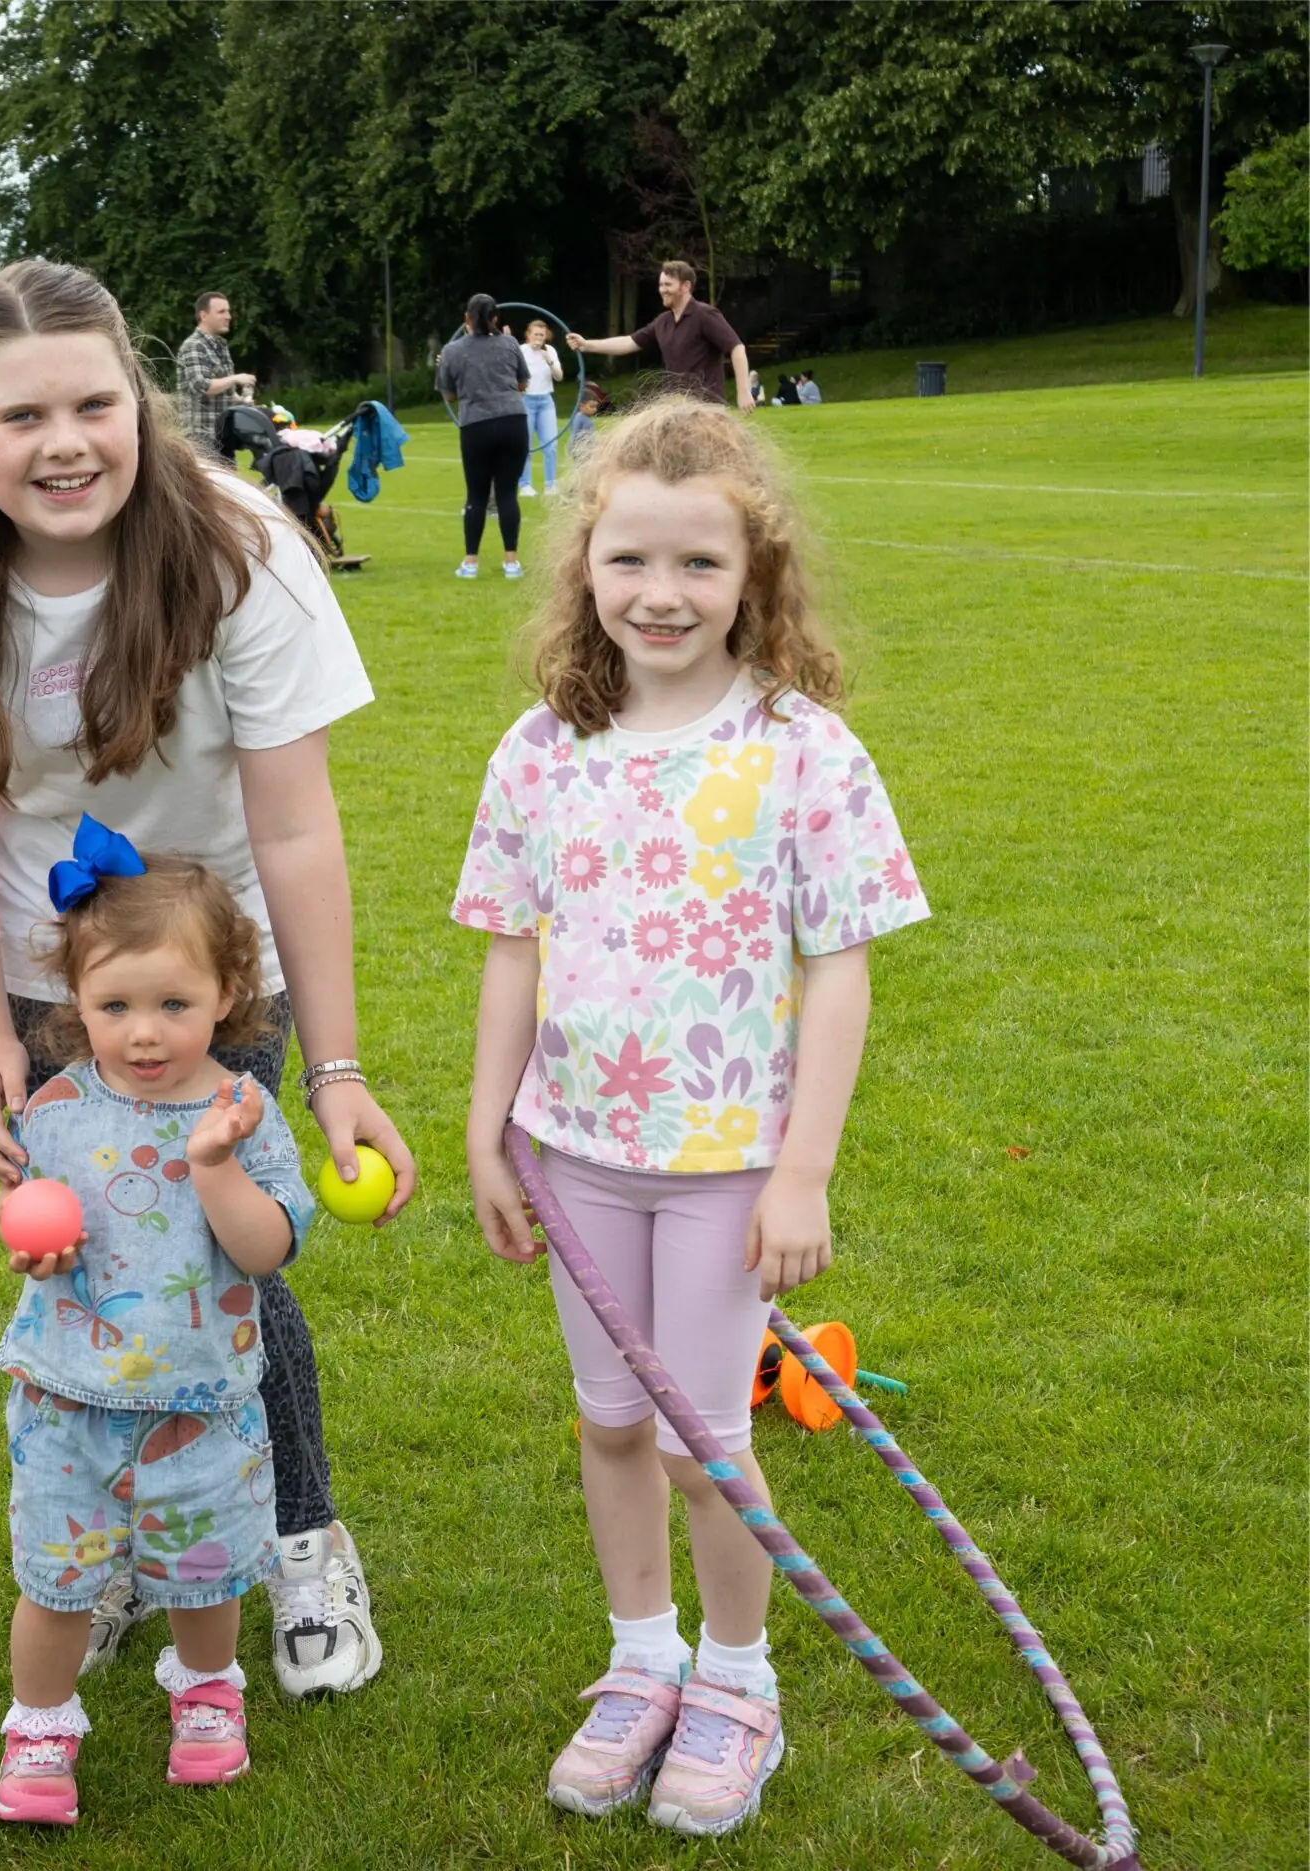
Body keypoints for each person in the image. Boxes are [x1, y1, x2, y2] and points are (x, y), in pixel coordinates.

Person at [0, 257, 410, 1705]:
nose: (67, 441)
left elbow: (294, 823)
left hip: (218, 987)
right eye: (23, 412)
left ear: (140, 403)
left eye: (97, 401)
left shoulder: (240, 547)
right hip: (56, 991)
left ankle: (295, 1538)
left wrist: (335, 1066)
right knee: (87, 1264)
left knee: (225, 1256)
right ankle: (100, 1554)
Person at [453, 397, 929, 1836]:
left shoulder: (803, 749)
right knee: (610, 1422)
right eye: (631, 561)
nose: (661, 594)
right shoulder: (543, 745)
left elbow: (837, 968)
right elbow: (512, 947)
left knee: (704, 1438)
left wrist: (804, 1171)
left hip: (727, 1163)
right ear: (587, 566)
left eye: (700, 566)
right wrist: (490, 1127)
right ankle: (641, 1653)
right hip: (579, 1149)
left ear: (755, 579)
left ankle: (737, 1680)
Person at [0, 833, 317, 1825]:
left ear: (227, 992)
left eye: (172, 1003)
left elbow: (264, 1252)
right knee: (54, 1578)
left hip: (201, 1396)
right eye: (112, 1005)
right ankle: (39, 1722)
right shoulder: (52, 1108)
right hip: (64, 1398)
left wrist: (214, 1165)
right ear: (74, 1001)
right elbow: (36, 1225)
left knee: (202, 1564)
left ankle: (207, 1692)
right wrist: (34, 1252)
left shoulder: (242, 1109)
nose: (140, 1032)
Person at [435, 292, 532, 579]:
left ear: (466, 319)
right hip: (513, 421)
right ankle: (512, 562)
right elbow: (523, 383)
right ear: (495, 319)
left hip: (476, 424)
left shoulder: (452, 351)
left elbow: (449, 394)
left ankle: (471, 562)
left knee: (476, 495)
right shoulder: (510, 343)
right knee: (507, 493)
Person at [567, 262, 751, 411]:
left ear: (685, 286)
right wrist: (587, 345)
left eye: (668, 285)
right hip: (676, 407)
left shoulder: (705, 315)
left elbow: (736, 348)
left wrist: (743, 391)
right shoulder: (663, 321)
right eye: (661, 285)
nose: (662, 290)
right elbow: (629, 342)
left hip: (707, 408)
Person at [175, 291, 256, 458]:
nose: (228, 316)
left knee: (228, 484)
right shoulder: (194, 346)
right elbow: (202, 386)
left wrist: (242, 402)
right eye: (221, 312)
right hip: (201, 437)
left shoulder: (220, 346)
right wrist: (236, 378)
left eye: (228, 311)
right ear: (203, 315)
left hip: (223, 436)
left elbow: (225, 393)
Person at [517, 317, 566, 498]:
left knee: (551, 444)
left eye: (542, 335)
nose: (539, 338)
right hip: (526, 401)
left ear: (546, 337)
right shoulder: (521, 351)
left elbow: (559, 377)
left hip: (546, 401)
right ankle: (525, 484)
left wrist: (549, 361)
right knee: (525, 445)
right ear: (528, 335)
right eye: (535, 334)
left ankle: (551, 484)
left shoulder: (550, 351)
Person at [567, 387, 601, 463]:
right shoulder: (579, 418)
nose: (595, 409)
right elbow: (574, 434)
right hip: (580, 451)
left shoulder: (585, 418)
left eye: (596, 406)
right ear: (581, 406)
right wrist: (574, 447)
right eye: (592, 406)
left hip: (586, 450)